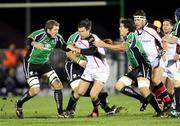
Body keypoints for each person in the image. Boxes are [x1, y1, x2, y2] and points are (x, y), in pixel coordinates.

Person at [93, 18, 164, 117]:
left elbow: (124, 48)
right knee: (119, 85)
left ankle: (160, 112)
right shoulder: (128, 37)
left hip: (143, 66)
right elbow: (123, 46)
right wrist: (112, 43)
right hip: (136, 68)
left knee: (143, 89)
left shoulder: (131, 35)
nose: (119, 28)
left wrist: (104, 45)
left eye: (121, 27)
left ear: (127, 29)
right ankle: (143, 99)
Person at [15, 19, 67, 119]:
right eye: (55, 30)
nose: (57, 32)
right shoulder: (40, 34)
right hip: (31, 64)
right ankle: (19, 104)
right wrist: (35, 44)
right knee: (35, 91)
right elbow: (28, 40)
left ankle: (61, 112)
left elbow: (65, 47)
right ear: (48, 30)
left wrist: (74, 49)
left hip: (44, 64)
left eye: (58, 29)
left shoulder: (58, 38)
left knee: (58, 85)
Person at [65, 18, 110, 117]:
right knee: (79, 91)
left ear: (88, 30)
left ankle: (99, 109)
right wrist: (69, 47)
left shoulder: (92, 38)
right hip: (90, 68)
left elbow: (92, 52)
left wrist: (77, 50)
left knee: (93, 95)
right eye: (79, 31)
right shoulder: (78, 38)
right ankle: (67, 111)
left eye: (83, 31)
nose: (80, 33)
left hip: (101, 70)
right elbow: (68, 48)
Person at [133, 10, 172, 112]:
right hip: (145, 63)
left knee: (155, 80)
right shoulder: (134, 32)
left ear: (144, 20)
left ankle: (168, 103)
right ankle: (166, 103)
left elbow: (164, 40)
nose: (136, 22)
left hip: (156, 59)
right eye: (135, 20)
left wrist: (163, 52)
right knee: (150, 86)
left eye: (138, 20)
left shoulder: (152, 28)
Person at [65, 50, 121, 117]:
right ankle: (68, 111)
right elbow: (68, 52)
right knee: (77, 90)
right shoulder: (75, 40)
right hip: (74, 66)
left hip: (89, 67)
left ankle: (103, 110)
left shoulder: (94, 42)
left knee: (95, 91)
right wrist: (80, 61)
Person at [162, 8, 180, 117]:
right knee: (176, 83)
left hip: (173, 63)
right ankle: (176, 108)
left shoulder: (179, 24)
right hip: (170, 63)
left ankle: (175, 108)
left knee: (176, 83)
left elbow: (174, 40)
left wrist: (162, 38)